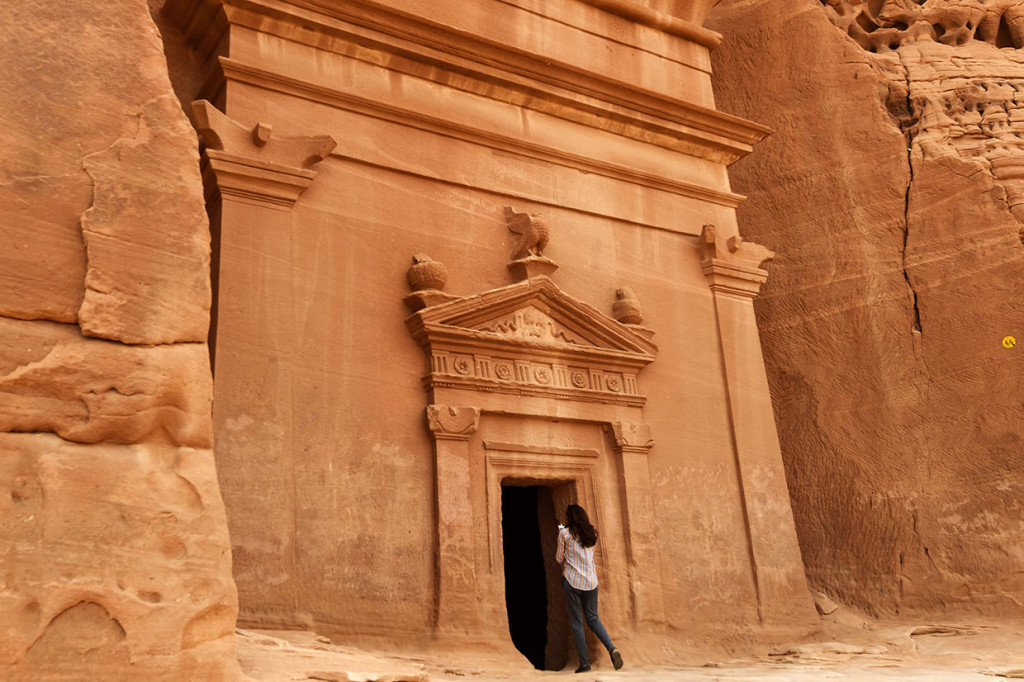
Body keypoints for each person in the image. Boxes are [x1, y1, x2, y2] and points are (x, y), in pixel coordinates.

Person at [556, 504, 624, 673]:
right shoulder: (592, 533)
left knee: (577, 622)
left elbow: (558, 558)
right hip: (591, 582)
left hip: (572, 582)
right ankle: (611, 648)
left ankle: (585, 664)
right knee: (593, 618)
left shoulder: (564, 534)